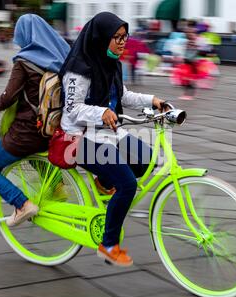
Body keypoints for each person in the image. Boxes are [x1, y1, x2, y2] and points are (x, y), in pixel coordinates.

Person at [59, 12, 166, 267]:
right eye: (116, 37)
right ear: (101, 38)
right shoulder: (79, 69)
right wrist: (102, 112)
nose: (122, 42)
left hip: (107, 132)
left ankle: (104, 180)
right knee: (127, 184)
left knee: (148, 160)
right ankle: (108, 245)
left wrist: (152, 100)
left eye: (124, 37)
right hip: (77, 137)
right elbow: (72, 109)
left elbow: (123, 96)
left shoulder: (112, 63)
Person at [0, 14, 70, 227]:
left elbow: (9, 96)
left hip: (25, 133)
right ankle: (56, 187)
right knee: (33, 153)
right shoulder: (62, 59)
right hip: (51, 131)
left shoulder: (25, 61)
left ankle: (22, 204)